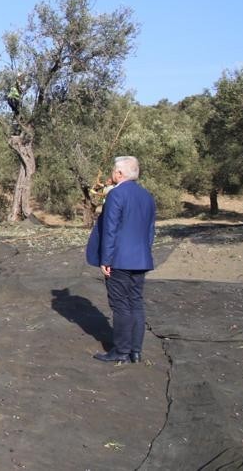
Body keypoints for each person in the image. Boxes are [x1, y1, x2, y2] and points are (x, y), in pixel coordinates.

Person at [85, 156, 156, 364]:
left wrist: (106, 260)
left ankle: (121, 351)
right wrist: (144, 252)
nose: (113, 174)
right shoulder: (147, 196)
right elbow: (150, 231)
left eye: (114, 171)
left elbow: (110, 230)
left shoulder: (116, 195)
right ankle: (135, 351)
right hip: (141, 258)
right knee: (136, 303)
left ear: (119, 174)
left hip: (119, 260)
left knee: (120, 305)